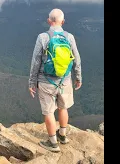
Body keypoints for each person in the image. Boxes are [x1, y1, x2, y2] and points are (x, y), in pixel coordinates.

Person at [28, 8, 82, 152]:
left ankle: (52, 143)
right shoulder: (69, 37)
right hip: (65, 80)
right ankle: (63, 136)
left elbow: (36, 61)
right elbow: (77, 59)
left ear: (48, 21)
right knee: (63, 108)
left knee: (49, 112)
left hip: (46, 81)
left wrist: (32, 82)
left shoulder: (42, 37)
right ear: (63, 22)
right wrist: (78, 77)